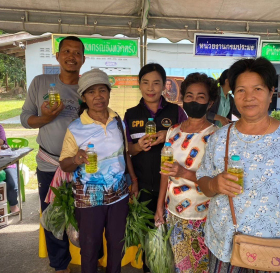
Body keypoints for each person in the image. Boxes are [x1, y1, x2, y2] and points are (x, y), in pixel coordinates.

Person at [196, 57, 280, 273]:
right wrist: (215, 185)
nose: (248, 97)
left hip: (274, 253)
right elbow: (203, 182)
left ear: (271, 92)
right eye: (240, 90)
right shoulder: (219, 138)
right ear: (233, 95)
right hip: (226, 250)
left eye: (257, 88)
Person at [59, 69, 138, 273]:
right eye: (91, 92)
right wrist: (76, 159)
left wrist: (134, 180)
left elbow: (125, 153)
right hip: (89, 199)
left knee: (116, 245)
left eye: (102, 90)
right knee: (90, 248)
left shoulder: (118, 121)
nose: (98, 96)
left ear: (109, 93)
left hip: (119, 195)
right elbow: (64, 164)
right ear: (84, 98)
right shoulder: (75, 128)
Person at [20, 36, 85, 273]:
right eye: (66, 51)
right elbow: (25, 118)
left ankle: (90, 259)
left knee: (86, 214)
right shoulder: (40, 82)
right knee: (53, 216)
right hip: (49, 164)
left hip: (80, 165)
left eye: (77, 52)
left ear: (83, 59)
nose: (71, 56)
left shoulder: (87, 87)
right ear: (57, 56)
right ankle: (60, 266)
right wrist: (45, 118)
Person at [124, 63, 187, 273]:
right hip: (143, 187)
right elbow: (127, 151)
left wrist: (167, 134)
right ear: (139, 85)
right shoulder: (131, 114)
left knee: (174, 239)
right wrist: (137, 146)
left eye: (156, 83)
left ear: (164, 86)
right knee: (150, 241)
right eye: (145, 83)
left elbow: (188, 140)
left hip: (173, 188)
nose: (150, 88)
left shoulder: (176, 112)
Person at [154, 72, 218, 273]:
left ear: (210, 102)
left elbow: (217, 181)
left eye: (201, 96)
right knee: (177, 265)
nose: (194, 100)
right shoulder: (173, 131)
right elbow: (165, 172)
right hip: (173, 211)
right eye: (189, 95)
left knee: (197, 267)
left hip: (201, 216)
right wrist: (159, 207)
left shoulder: (216, 136)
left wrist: (184, 171)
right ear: (183, 99)